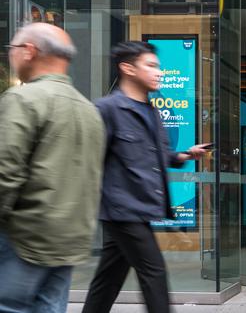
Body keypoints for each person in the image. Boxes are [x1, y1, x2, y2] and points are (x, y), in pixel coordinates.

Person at [82, 42, 210, 313]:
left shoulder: (151, 111)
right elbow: (89, 160)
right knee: (154, 272)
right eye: (151, 66)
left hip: (138, 207)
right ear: (127, 68)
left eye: (158, 66)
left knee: (108, 278)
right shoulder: (107, 109)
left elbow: (158, 155)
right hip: (122, 208)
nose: (159, 72)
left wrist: (185, 155)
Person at [0, 23, 105, 312]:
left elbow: (5, 172)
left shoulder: (23, 99)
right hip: (69, 238)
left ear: (29, 52)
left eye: (12, 49)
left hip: (24, 236)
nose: (11, 56)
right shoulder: (88, 109)